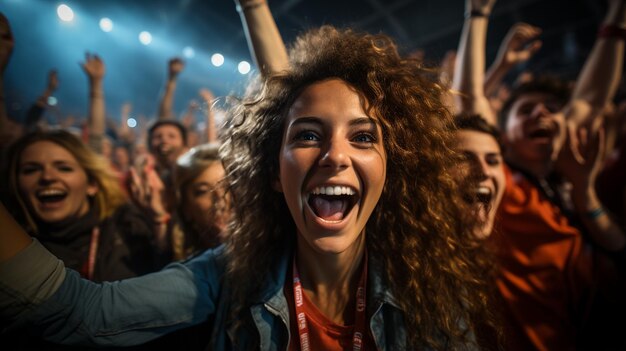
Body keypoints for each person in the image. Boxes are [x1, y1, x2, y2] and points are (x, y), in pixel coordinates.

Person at [1, 25, 496, 350]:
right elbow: (79, 314)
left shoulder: (431, 288)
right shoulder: (226, 277)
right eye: (307, 135)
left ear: (391, 171)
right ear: (273, 173)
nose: (335, 155)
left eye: (363, 137)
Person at [452, 0, 626, 349]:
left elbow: (590, 101)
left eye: (551, 109)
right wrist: (478, 15)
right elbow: (470, 97)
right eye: (525, 110)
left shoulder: (571, 184)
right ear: (504, 134)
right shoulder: (501, 179)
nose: (541, 115)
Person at [1, 129, 167, 282]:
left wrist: (159, 221)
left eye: (64, 168)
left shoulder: (128, 226)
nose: (47, 177)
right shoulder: (9, 250)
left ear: (92, 184)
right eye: (31, 170)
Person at [170, 144, 231, 260]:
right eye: (203, 191)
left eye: (226, 186)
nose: (220, 199)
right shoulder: (185, 269)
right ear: (186, 207)